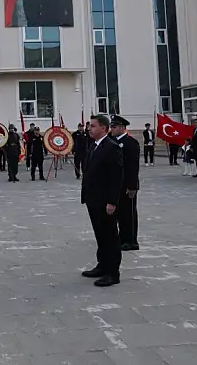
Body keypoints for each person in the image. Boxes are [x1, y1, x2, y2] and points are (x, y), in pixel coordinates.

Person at [80, 115, 123, 287]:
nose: (89, 129)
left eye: (93, 126)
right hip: (93, 199)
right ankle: (102, 265)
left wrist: (112, 201)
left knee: (110, 236)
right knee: (100, 235)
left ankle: (113, 272)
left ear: (103, 128)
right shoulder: (94, 146)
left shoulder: (111, 147)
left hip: (105, 201)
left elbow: (116, 177)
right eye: (89, 126)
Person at [110, 116, 140, 251]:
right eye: (111, 126)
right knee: (119, 213)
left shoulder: (130, 143)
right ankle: (122, 238)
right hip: (116, 184)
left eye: (114, 127)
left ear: (122, 128)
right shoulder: (112, 142)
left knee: (129, 213)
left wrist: (132, 186)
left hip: (127, 184)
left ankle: (131, 240)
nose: (112, 129)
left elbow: (133, 166)